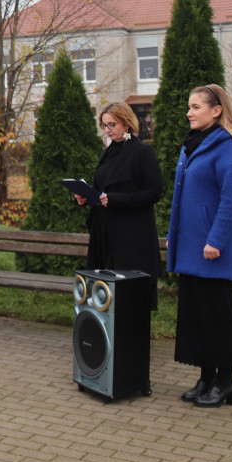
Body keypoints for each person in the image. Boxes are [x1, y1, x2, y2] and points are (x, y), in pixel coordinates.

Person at [167, 84, 232, 408]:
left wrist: (215, 240)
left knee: (218, 316)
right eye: (189, 106)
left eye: (195, 106)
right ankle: (205, 378)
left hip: (213, 249)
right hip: (191, 248)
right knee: (197, 316)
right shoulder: (192, 145)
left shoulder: (230, 147)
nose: (189, 112)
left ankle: (225, 381)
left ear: (216, 110)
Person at [75, 102, 163, 309]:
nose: (107, 130)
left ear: (126, 123)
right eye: (104, 126)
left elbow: (154, 192)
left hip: (131, 237)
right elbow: (101, 187)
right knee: (104, 297)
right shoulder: (108, 152)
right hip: (105, 234)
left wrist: (116, 199)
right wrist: (84, 197)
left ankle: (130, 339)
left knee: (129, 299)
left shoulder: (142, 151)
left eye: (112, 125)